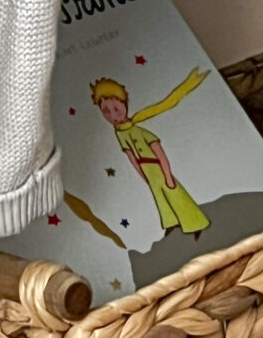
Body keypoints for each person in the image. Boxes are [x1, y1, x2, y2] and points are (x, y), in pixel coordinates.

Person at [91, 71, 212, 238]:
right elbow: (132, 158)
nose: (113, 115)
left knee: (175, 193)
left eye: (116, 109)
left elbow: (159, 153)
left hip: (157, 166)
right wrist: (143, 176)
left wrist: (167, 174)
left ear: (125, 104)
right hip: (147, 170)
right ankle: (171, 223)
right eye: (106, 111)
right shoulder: (119, 134)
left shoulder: (139, 130)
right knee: (160, 198)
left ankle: (196, 224)